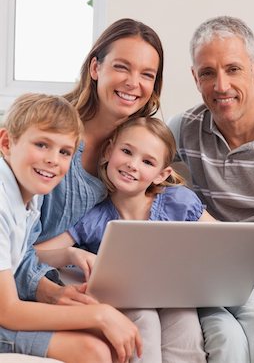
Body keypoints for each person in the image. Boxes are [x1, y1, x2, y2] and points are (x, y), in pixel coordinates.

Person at [168, 15, 254, 362]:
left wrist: (222, 240)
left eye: (233, 69)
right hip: (214, 265)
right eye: (207, 73)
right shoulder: (182, 129)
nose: (221, 85)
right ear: (195, 78)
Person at [35, 116, 213, 363]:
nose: (132, 164)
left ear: (162, 175)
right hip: (126, 299)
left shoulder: (179, 202)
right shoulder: (94, 216)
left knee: (187, 327)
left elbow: (222, 241)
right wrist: (70, 253)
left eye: (147, 161)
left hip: (174, 295)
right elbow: (38, 252)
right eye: (127, 151)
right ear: (109, 151)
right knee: (144, 323)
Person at [14, 18, 164, 305]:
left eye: (147, 74)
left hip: (88, 278)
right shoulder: (48, 132)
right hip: (29, 277)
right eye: (122, 67)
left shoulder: (139, 150)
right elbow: (16, 245)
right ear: (96, 68)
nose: (133, 83)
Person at [0, 93, 142, 363]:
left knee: (108, 341)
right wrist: (99, 315)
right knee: (94, 351)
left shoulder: (31, 192)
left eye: (64, 151)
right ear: (7, 143)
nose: (53, 160)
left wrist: (54, 293)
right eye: (42, 144)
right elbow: (6, 310)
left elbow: (19, 257)